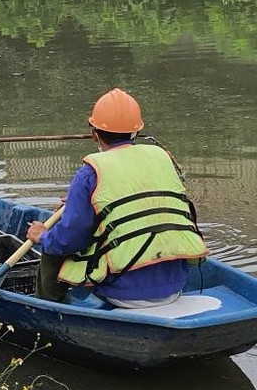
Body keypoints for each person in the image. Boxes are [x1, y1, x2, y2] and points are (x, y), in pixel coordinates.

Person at [25, 89, 206, 307]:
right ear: (137, 133)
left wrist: (43, 236)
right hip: (175, 286)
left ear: (94, 135)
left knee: (54, 243)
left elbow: (69, 241)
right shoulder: (163, 157)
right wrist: (86, 204)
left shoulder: (89, 172)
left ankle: (48, 306)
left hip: (122, 292)